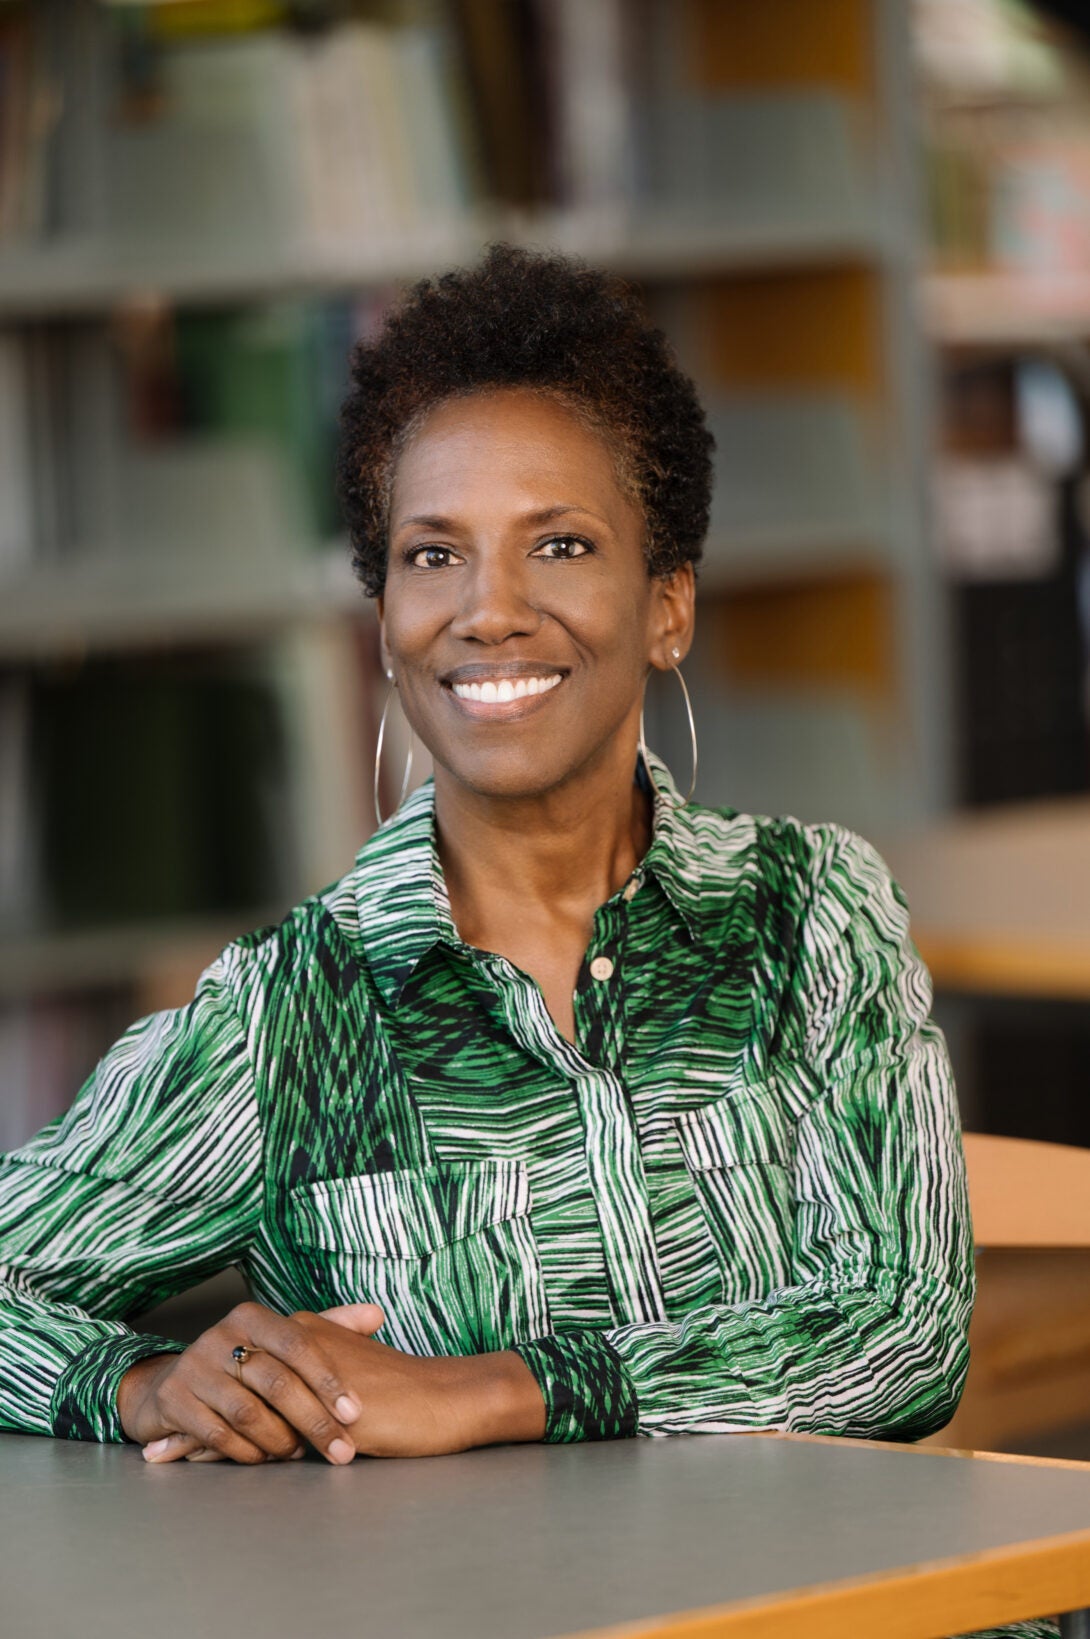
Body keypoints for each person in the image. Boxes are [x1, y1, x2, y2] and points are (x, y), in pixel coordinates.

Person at [0, 243, 972, 1467]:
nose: (488, 607)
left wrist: (497, 1391)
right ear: (386, 620)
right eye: (432, 552)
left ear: (667, 602)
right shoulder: (292, 1016)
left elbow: (907, 1329)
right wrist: (137, 1383)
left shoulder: (810, 914)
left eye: (557, 544)